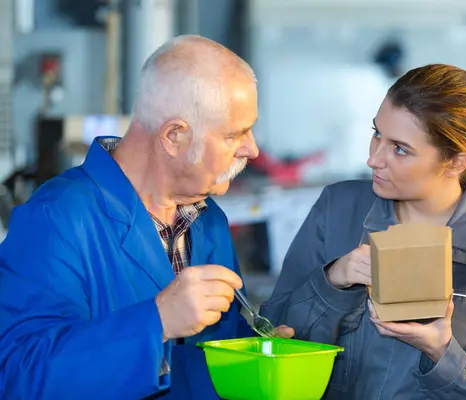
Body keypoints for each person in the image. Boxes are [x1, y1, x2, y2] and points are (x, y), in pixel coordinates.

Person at [0, 35, 292, 400]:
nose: (252, 149)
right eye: (235, 134)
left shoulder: (208, 219)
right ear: (173, 136)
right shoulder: (56, 218)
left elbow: (211, 352)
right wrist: (157, 322)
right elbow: (18, 374)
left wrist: (255, 354)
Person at [261, 64, 466, 399]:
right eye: (376, 134)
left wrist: (444, 354)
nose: (373, 159)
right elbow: (270, 335)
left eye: (399, 149)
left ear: (456, 163)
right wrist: (332, 281)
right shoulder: (337, 208)